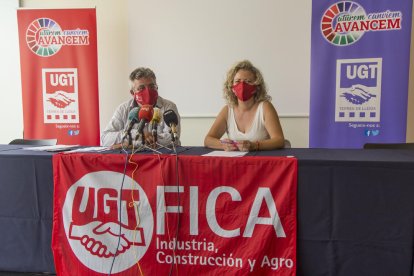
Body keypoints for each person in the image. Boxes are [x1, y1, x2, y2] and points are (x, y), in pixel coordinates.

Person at [204, 60, 284, 151]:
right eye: (237, 81)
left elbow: (279, 140)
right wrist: (223, 145)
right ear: (232, 88)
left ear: (256, 87)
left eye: (248, 81)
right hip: (236, 162)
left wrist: (255, 145)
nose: (242, 85)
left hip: (261, 162)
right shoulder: (227, 110)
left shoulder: (265, 107)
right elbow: (208, 140)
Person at [101, 67, 181, 148]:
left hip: (160, 158)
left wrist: (131, 145)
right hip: (128, 159)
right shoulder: (123, 109)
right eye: (141, 88)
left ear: (157, 87)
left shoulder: (168, 107)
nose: (148, 91)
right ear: (132, 92)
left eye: (151, 86)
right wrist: (137, 134)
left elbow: (173, 139)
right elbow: (105, 139)